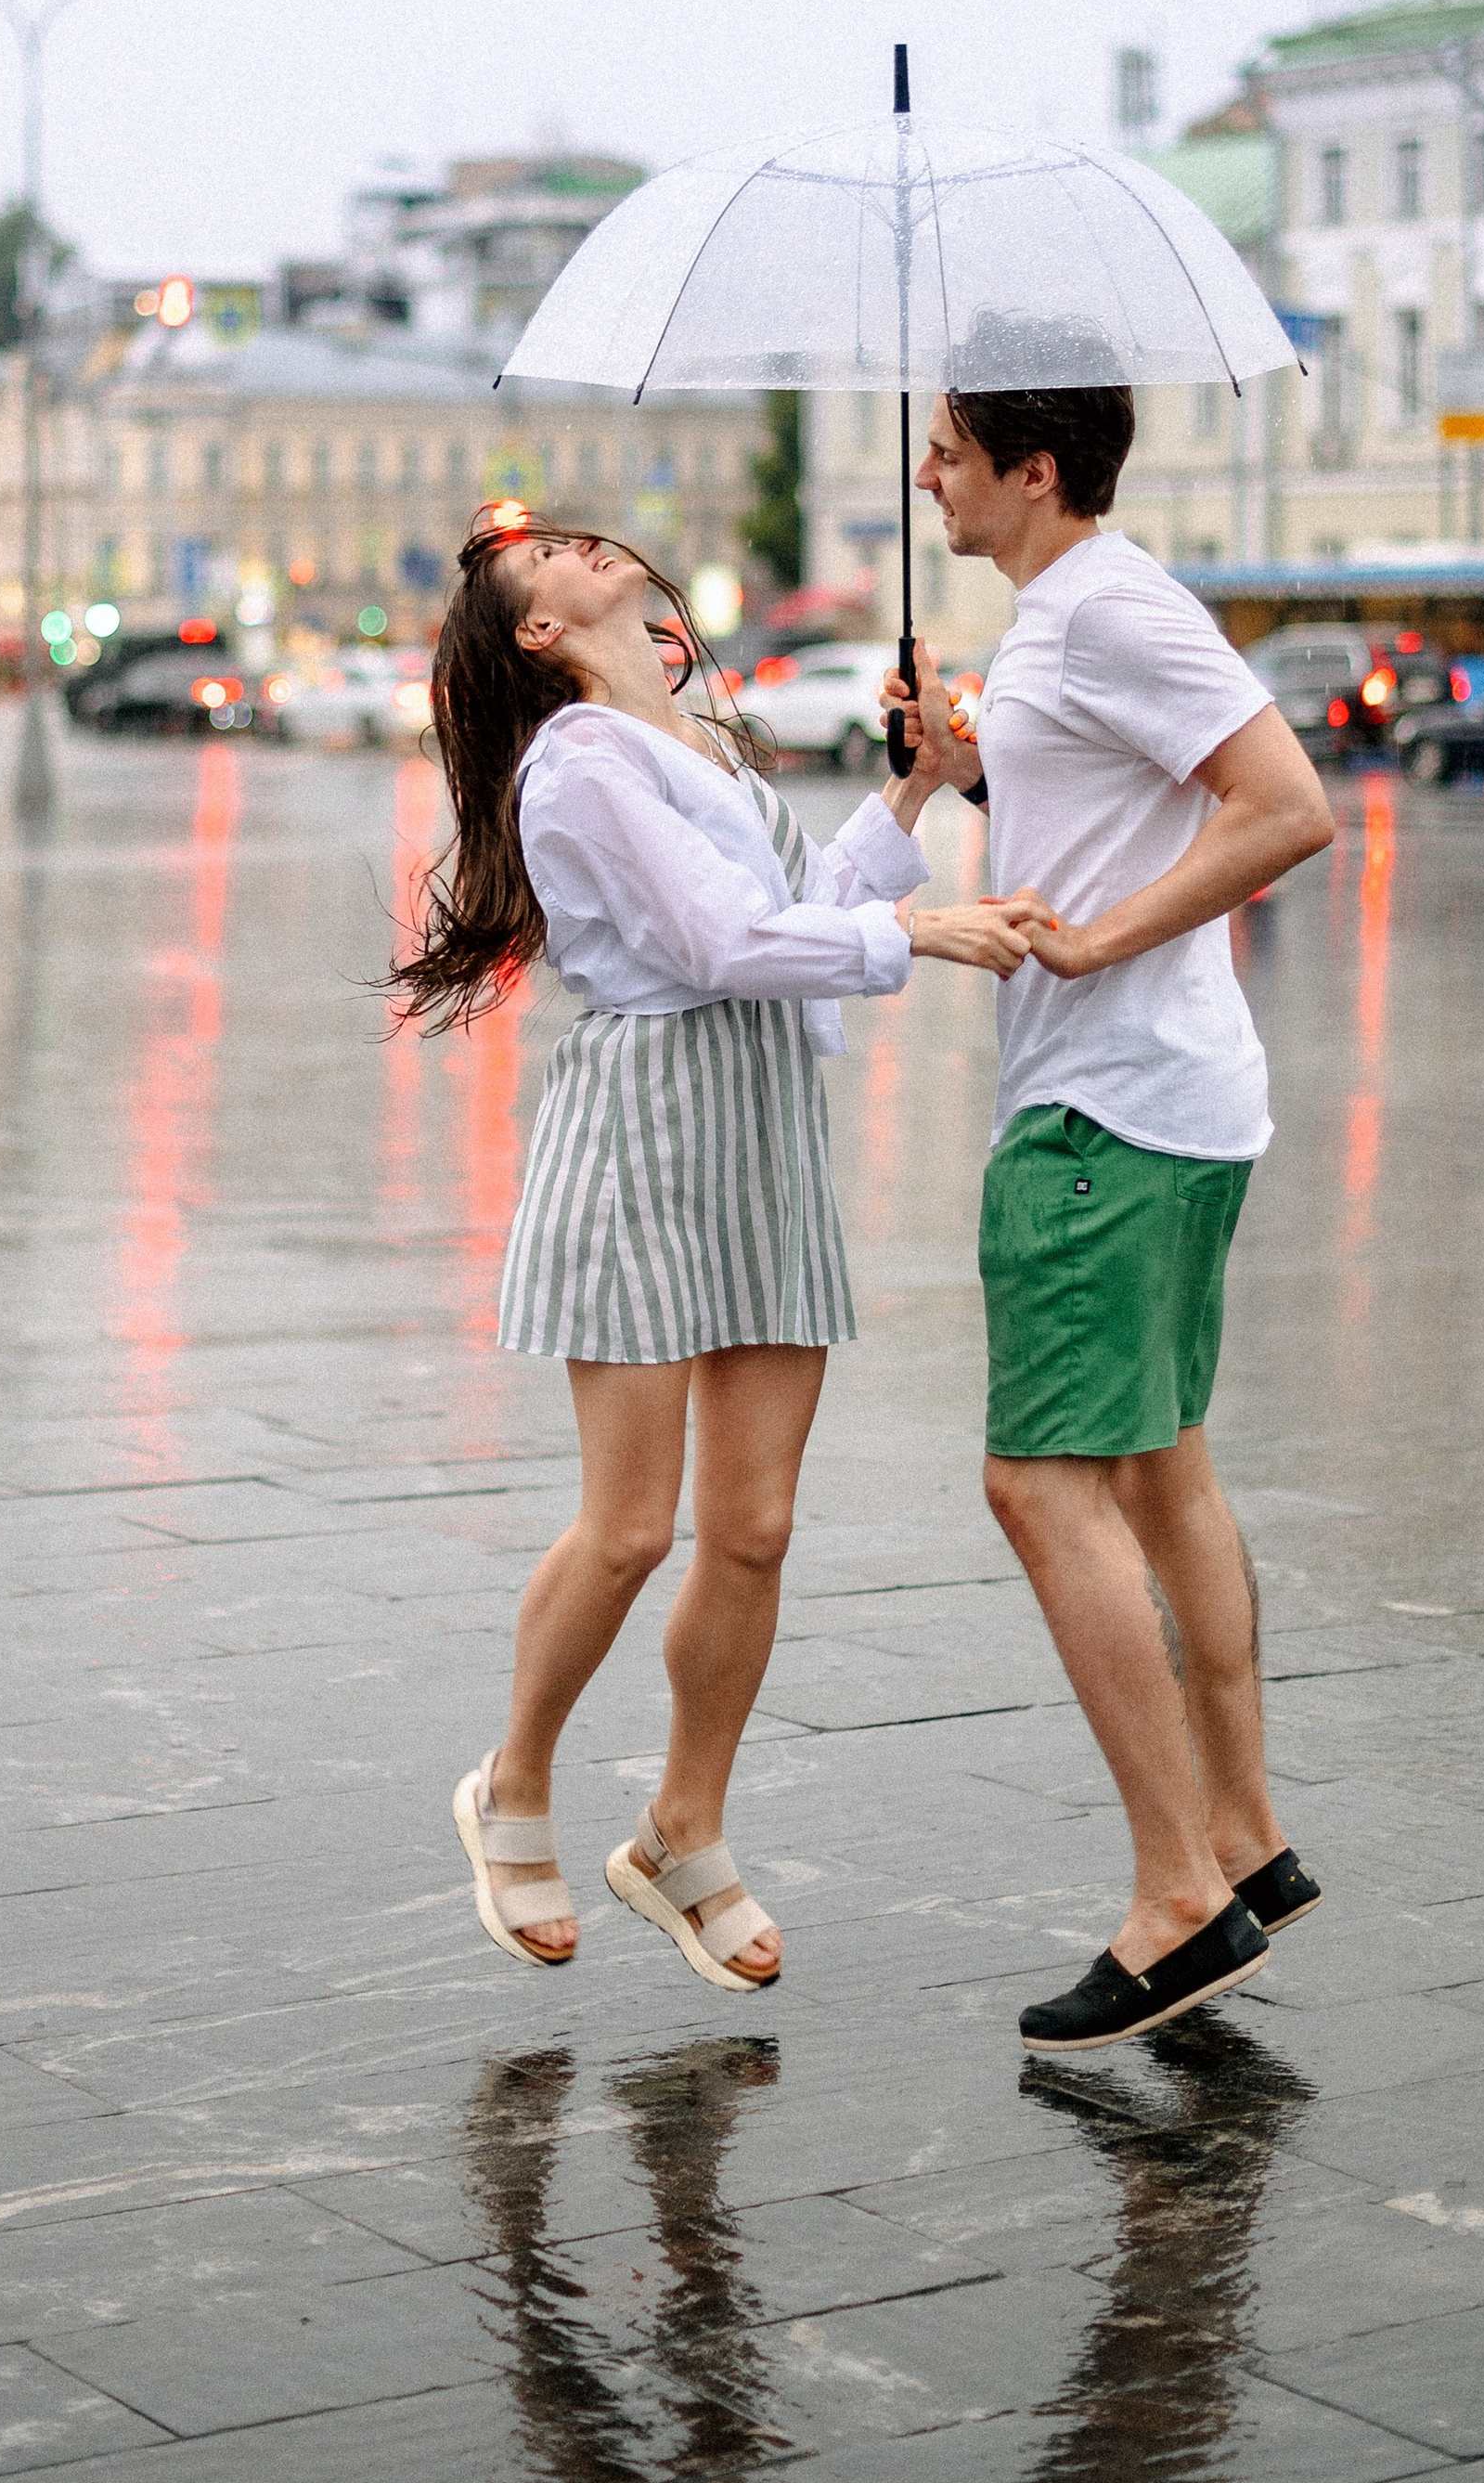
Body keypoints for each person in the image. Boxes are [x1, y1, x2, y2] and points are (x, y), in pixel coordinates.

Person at [394, 507, 1022, 1989]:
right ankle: (517, 1785)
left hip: (757, 1129)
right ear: (535, 631)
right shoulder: (576, 766)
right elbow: (718, 947)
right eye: (540, 558)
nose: (581, 544)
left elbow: (794, 910)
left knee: (752, 1529)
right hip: (642, 1128)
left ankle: (685, 1826)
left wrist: (921, 784)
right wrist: (922, 938)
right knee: (630, 1525)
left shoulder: (703, 742)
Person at [893, 386, 1335, 2052]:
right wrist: (965, 769)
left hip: (1108, 1113)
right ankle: (1244, 1838)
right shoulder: (1066, 622)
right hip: (1168, 1102)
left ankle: (1175, 1902)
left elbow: (1286, 807)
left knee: (1037, 1484)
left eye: (951, 449)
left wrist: (1098, 941)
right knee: (1161, 1467)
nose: (928, 470)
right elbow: (1111, 799)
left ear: (1035, 470)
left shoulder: (1113, 605)